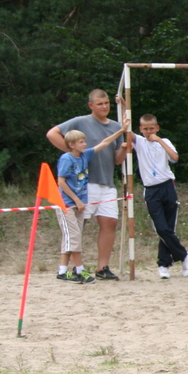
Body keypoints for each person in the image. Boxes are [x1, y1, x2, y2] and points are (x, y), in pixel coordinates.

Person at [47, 89, 133, 280]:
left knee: (109, 221)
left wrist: (125, 149)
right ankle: (70, 267)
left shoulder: (115, 126)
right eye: (100, 103)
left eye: (107, 103)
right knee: (78, 225)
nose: (104, 107)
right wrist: (74, 156)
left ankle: (102, 267)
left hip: (107, 181)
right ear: (91, 105)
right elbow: (52, 133)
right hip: (84, 184)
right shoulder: (81, 121)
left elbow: (117, 159)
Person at [55, 122, 128, 283]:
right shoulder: (67, 158)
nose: (85, 144)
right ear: (71, 144)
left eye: (85, 141)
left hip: (78, 204)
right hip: (67, 204)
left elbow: (104, 143)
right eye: (81, 142)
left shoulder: (85, 155)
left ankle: (62, 271)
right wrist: (76, 200)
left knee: (73, 237)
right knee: (73, 236)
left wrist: (121, 131)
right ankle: (79, 270)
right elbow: (61, 182)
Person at [132, 113, 188, 279]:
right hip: (151, 189)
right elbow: (125, 130)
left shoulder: (164, 142)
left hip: (167, 186)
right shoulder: (139, 142)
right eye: (145, 129)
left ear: (157, 128)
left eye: (152, 128)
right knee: (160, 228)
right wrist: (122, 104)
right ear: (141, 129)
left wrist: (158, 140)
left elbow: (174, 158)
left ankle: (163, 263)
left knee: (169, 227)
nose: (149, 132)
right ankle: (184, 255)